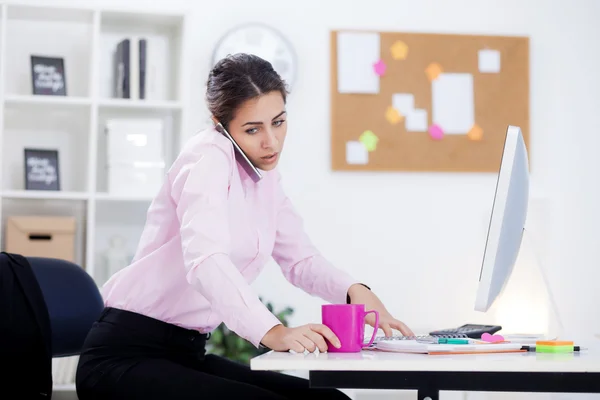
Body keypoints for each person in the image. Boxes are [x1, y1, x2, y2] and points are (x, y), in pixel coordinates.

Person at [75, 53, 414, 400]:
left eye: (278, 122)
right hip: (123, 356)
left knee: (329, 399)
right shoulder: (208, 158)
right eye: (253, 129)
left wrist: (354, 291)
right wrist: (273, 332)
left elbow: (300, 260)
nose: (271, 141)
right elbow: (205, 261)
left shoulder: (262, 176)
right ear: (220, 124)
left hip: (184, 354)